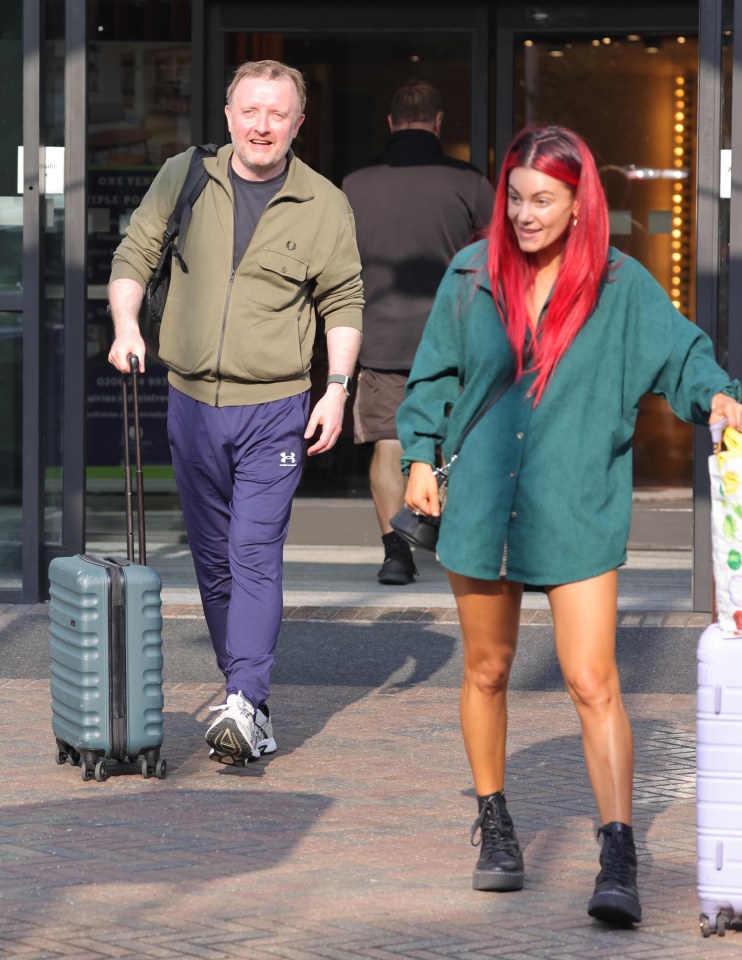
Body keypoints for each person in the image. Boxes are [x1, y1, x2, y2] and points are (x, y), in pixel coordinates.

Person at [396, 125, 742, 925]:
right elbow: (435, 372)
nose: (523, 214)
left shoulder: (622, 287)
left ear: (581, 203)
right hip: (482, 503)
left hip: (577, 504)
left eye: (542, 200)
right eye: (514, 197)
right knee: (486, 670)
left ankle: (617, 848)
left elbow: (682, 357)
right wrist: (419, 453)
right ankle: (494, 826)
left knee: (593, 680)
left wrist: (717, 395)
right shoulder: (470, 274)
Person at [107, 60, 363, 767]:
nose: (261, 125)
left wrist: (336, 389)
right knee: (214, 560)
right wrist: (127, 325)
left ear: (297, 125)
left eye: (277, 114)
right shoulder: (186, 176)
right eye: (250, 111)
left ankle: (246, 698)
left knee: (253, 552)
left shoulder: (323, 203)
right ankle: (246, 700)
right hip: (189, 401)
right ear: (227, 116)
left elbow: (343, 300)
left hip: (274, 407)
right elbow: (136, 253)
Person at [342, 80, 494, 585]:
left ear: (390, 123)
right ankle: (448, 541)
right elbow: (501, 255)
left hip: (379, 335)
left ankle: (397, 554)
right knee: (451, 442)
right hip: (454, 338)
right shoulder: (469, 182)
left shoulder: (354, 184)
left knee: (388, 443)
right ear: (438, 122)